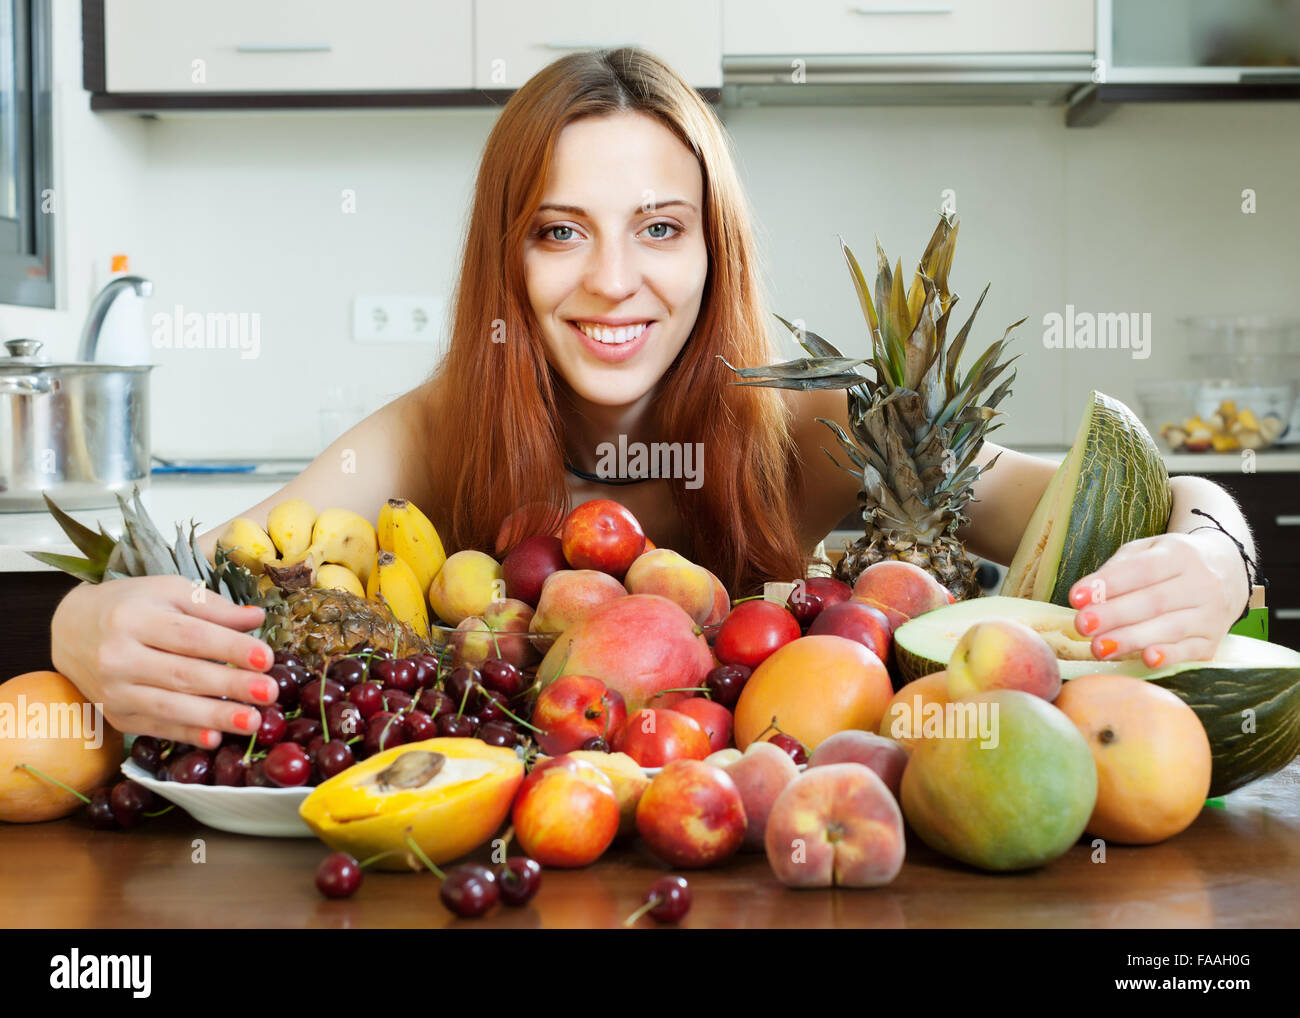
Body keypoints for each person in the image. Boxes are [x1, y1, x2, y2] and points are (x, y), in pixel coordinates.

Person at [50, 48, 1254, 750]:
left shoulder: (816, 425)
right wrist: (84, 625)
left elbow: (1122, 500)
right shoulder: (434, 433)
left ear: (713, 252)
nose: (614, 280)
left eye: (660, 229)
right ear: (505, 259)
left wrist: (1214, 550)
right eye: (560, 231)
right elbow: (205, 576)